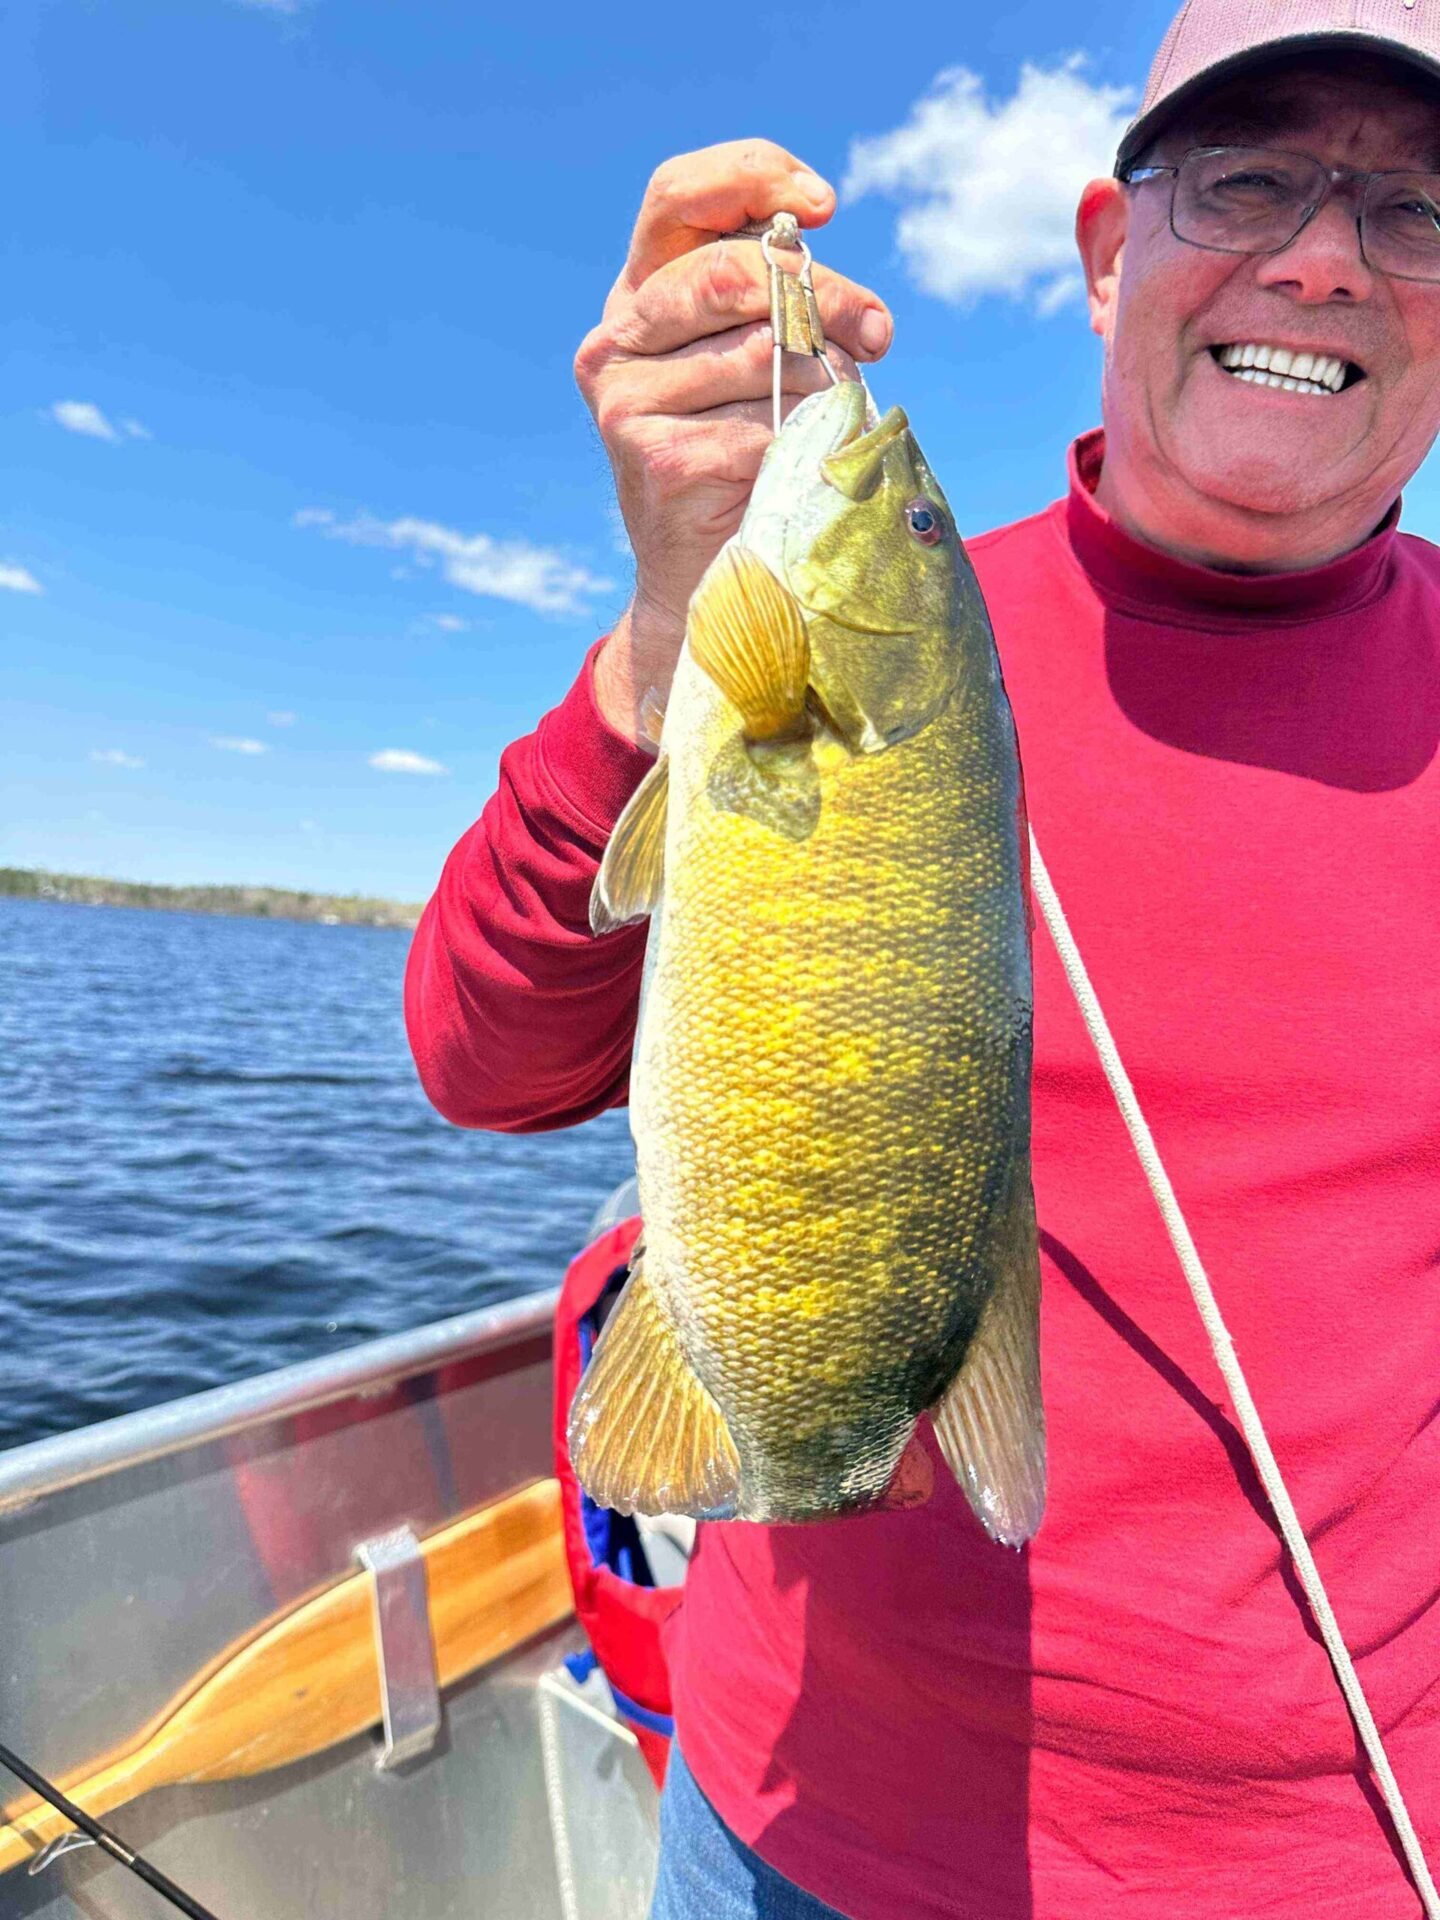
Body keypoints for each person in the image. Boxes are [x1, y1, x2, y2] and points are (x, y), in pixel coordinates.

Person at [404, 0, 1440, 1912]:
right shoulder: (854, 633)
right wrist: (661, 633)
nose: (1323, 254)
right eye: (1248, 179)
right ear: (1110, 252)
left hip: (1344, 1859)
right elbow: (483, 1062)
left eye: (1415, 210)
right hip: (784, 1827)